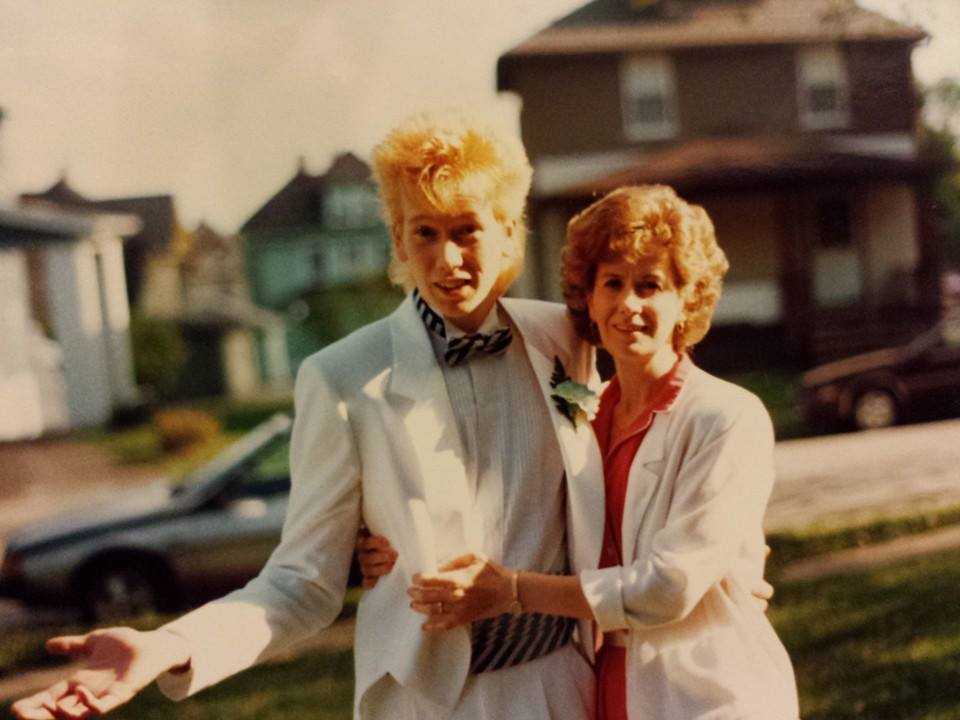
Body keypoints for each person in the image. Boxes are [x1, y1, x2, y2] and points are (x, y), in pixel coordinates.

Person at [12, 107, 604, 720]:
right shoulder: (343, 376)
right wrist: (169, 645)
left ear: (508, 231)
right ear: (398, 240)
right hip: (430, 702)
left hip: (565, 684)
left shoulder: (566, 341)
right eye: (423, 233)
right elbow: (301, 582)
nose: (446, 259)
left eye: (467, 231)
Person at [395, 185, 799, 719]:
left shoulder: (726, 417)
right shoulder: (585, 416)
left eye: (650, 285)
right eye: (612, 283)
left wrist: (515, 591)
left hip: (709, 693)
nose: (628, 305)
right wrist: (377, 540)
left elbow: (669, 587)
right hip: (610, 688)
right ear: (588, 298)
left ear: (686, 300)